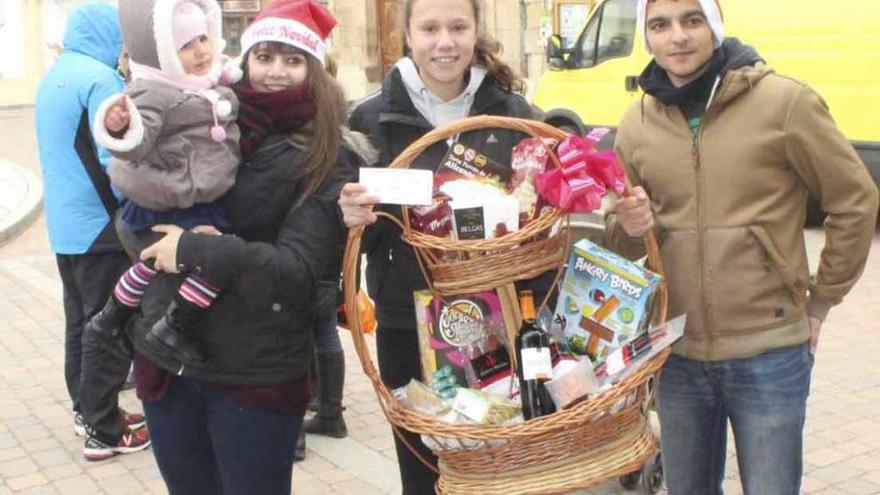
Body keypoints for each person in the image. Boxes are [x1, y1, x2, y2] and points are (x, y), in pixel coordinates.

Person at [605, 0, 880, 493]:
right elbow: (621, 242)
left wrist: (822, 298)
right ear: (647, 37)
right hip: (677, 354)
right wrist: (627, 225)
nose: (678, 36)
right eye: (660, 25)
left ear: (715, 25)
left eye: (692, 20)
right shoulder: (636, 124)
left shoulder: (784, 102)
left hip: (769, 351)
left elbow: (855, 201)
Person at [119, 1, 368, 493]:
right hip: (169, 360)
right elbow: (130, 213)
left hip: (255, 373)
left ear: (314, 70)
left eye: (293, 60)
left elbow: (297, 271)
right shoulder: (198, 112)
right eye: (265, 56)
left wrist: (194, 251)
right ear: (246, 58)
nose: (275, 72)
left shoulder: (327, 153)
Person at [340, 0, 538, 491]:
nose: (444, 42)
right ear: (407, 34)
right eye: (429, 28)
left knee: (499, 460)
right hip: (405, 319)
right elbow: (338, 207)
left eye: (457, 27)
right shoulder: (371, 118)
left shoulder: (509, 111)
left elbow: (558, 147)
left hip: (497, 316)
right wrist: (347, 213)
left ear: (476, 32)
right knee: (422, 466)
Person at [88, 0, 240, 366]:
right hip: (176, 197)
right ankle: (175, 326)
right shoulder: (154, 91)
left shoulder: (203, 83)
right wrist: (118, 125)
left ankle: (113, 315)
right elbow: (136, 141)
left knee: (150, 263)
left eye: (203, 38)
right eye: (186, 46)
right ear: (162, 53)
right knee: (216, 261)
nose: (201, 51)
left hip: (194, 195)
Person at [34, 1, 151, 461]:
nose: (123, 45)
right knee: (110, 325)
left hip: (65, 226)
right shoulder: (100, 79)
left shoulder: (56, 75)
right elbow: (112, 160)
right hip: (101, 227)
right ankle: (104, 431)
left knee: (81, 324)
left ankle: (88, 411)